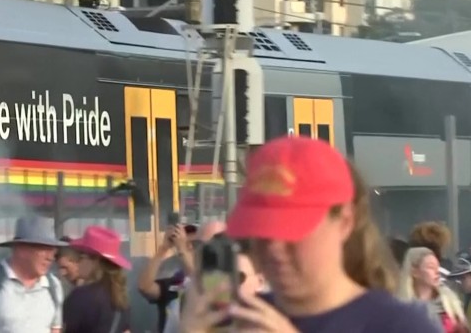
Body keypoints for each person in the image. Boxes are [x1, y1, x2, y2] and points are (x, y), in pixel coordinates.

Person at [179, 136, 440, 333]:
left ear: (344, 222)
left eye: (292, 230)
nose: (274, 248)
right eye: (261, 231)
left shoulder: (401, 326)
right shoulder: (240, 320)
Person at [0, 215, 66, 333]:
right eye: (44, 249)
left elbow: (55, 330)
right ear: (22, 249)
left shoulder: (54, 286)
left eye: (53, 251)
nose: (50, 257)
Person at [63, 225, 132, 333]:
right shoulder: (121, 300)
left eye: (81, 257)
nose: (77, 262)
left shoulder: (80, 297)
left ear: (96, 261)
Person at [137, 222, 199, 333]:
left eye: (194, 244)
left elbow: (198, 283)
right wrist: (163, 248)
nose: (189, 246)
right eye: (187, 243)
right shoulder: (176, 283)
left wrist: (182, 249)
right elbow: (145, 287)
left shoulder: (209, 281)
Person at [398, 247, 468, 332]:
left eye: (438, 267)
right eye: (431, 267)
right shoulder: (401, 307)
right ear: (414, 272)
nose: (437, 271)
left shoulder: (451, 303)